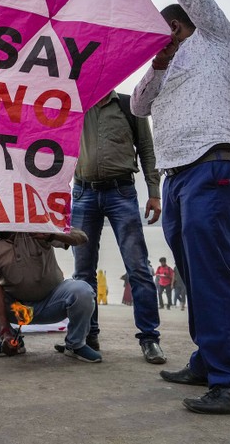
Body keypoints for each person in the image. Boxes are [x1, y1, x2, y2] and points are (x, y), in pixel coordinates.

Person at [120, 0, 230, 414]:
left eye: (166, 33)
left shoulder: (217, 38)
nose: (163, 41)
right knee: (191, 272)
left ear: (182, 25)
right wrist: (156, 64)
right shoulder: (165, 66)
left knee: (213, 271)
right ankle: (208, 357)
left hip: (213, 163)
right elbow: (138, 105)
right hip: (177, 176)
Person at [70, 91, 165, 363]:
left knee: (138, 267)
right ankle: (89, 334)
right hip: (83, 194)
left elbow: (147, 149)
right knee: (83, 271)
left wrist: (154, 193)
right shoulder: (77, 102)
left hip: (122, 192)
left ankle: (149, 338)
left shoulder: (128, 104)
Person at [0, 229, 99, 362]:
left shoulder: (36, 225)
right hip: (15, 308)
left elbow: (81, 238)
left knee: (82, 291)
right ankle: (12, 340)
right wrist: (5, 332)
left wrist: (51, 234)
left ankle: (75, 345)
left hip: (53, 303)